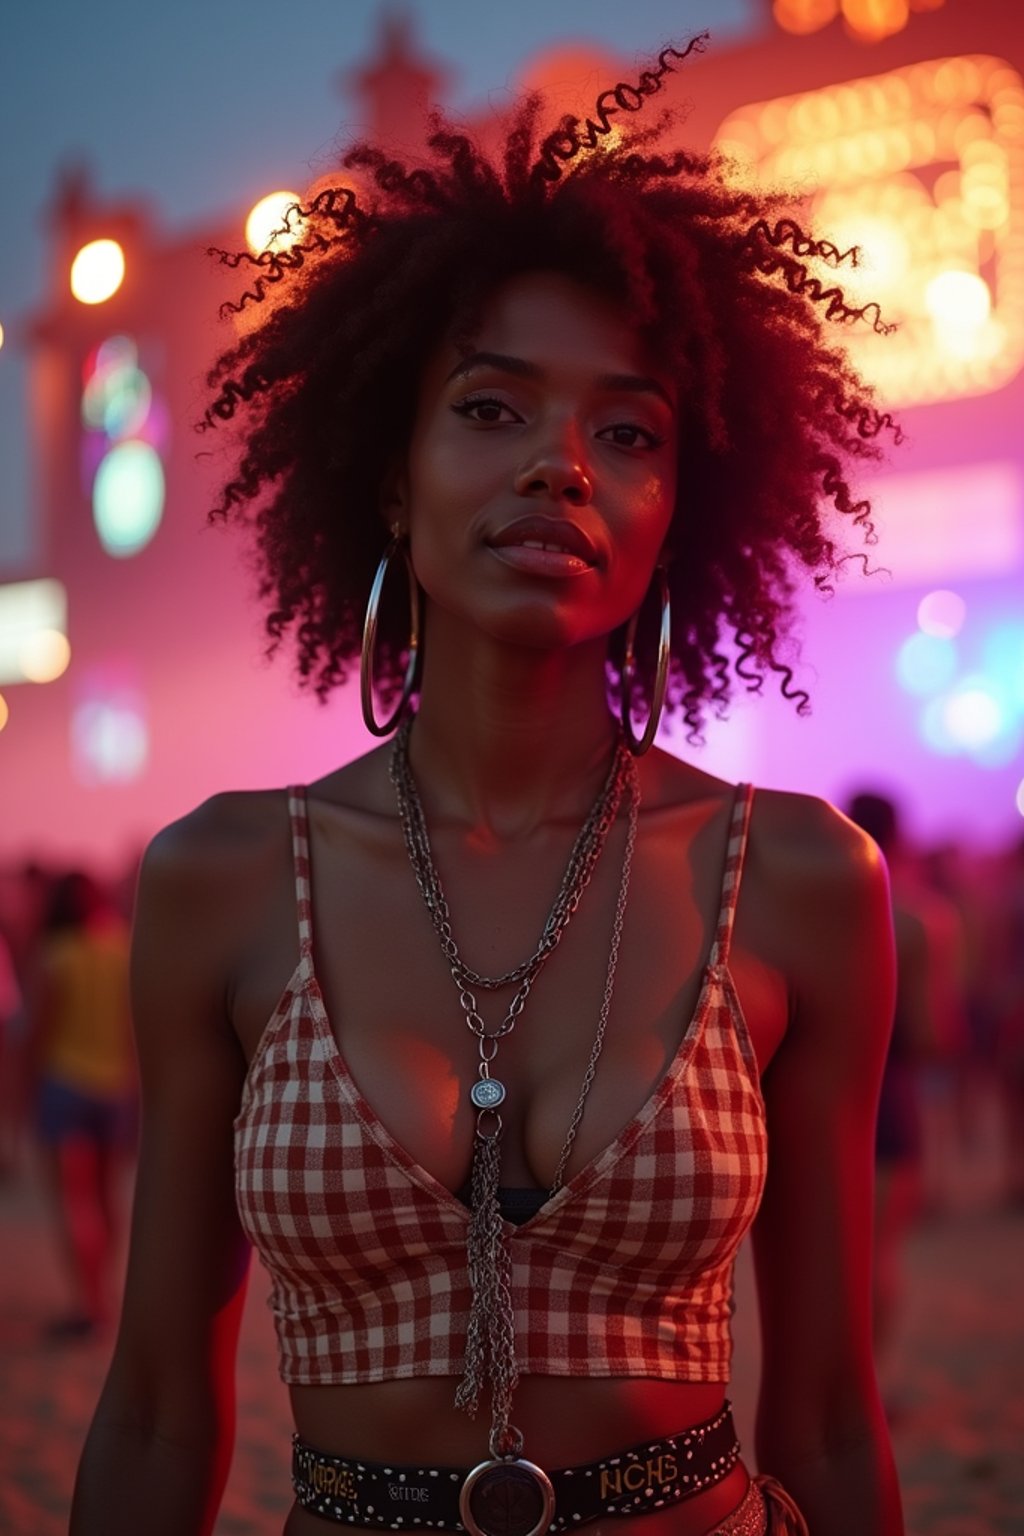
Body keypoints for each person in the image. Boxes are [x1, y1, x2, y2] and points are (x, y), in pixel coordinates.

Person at [71, 37, 904, 1536]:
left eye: (629, 432)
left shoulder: (795, 880)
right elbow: (150, 1407)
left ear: (678, 506)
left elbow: (835, 1417)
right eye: (491, 409)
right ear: (386, 477)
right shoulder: (230, 878)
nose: (561, 470)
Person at [25, 869, 136, 1337]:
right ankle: (105, 1294)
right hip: (116, 1087)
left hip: (65, 1084)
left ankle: (87, 1301)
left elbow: (38, 1034)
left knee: (74, 1202)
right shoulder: (122, 950)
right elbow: (134, 1029)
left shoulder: (55, 955)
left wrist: (23, 1096)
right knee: (107, 1199)